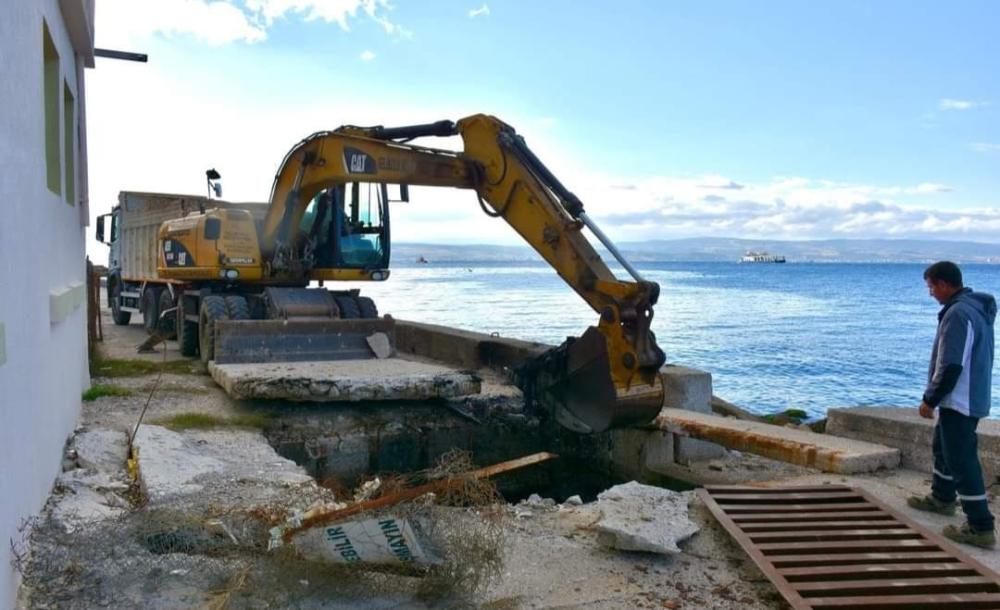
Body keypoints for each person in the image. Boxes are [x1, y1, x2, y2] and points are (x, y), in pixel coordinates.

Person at [907, 261, 997, 548]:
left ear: (945, 284)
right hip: (967, 396)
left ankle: (980, 526)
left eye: (932, 286)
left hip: (960, 399)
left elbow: (952, 364)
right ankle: (942, 498)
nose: (931, 292)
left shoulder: (958, 314)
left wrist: (929, 399)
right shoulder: (973, 310)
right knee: (942, 448)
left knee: (961, 460)